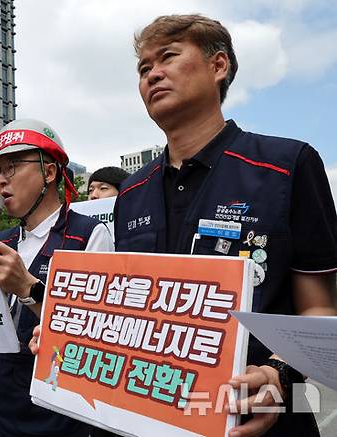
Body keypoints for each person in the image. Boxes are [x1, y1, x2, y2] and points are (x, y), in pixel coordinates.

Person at [112, 14, 336, 437]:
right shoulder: (131, 192)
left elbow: (320, 308)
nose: (152, 74)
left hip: (257, 420)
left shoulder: (287, 166)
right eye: (143, 68)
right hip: (149, 413)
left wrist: (279, 375)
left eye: (168, 57)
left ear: (219, 66)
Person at [0, 119, 113, 436]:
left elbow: (95, 337)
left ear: (49, 172)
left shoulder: (88, 235)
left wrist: (27, 288)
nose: (1, 180)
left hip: (47, 418)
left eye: (13, 167)